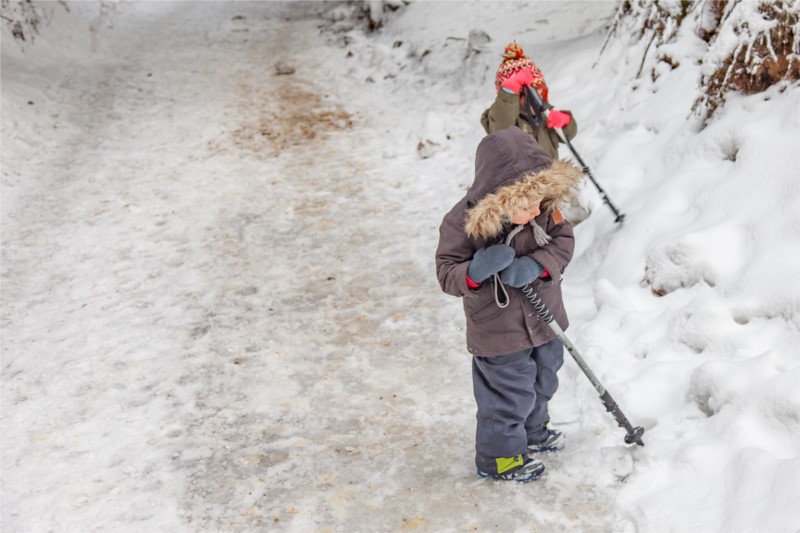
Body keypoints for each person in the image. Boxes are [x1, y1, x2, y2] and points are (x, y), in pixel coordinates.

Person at [435, 126, 582, 482]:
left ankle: (533, 432)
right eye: (524, 205)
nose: (535, 212)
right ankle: (499, 457)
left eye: (539, 202)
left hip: (545, 317)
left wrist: (537, 265)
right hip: (497, 329)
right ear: (498, 198)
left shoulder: (544, 207)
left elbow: (563, 240)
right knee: (507, 394)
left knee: (544, 378)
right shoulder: (463, 223)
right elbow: (446, 272)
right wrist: (475, 271)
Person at [480, 42, 589, 224]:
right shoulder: (501, 119)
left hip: (549, 191)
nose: (535, 96)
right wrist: (509, 93)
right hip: (521, 198)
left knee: (552, 228)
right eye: (525, 94)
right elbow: (500, 127)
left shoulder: (544, 113)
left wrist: (566, 122)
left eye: (539, 90)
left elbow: (567, 135)